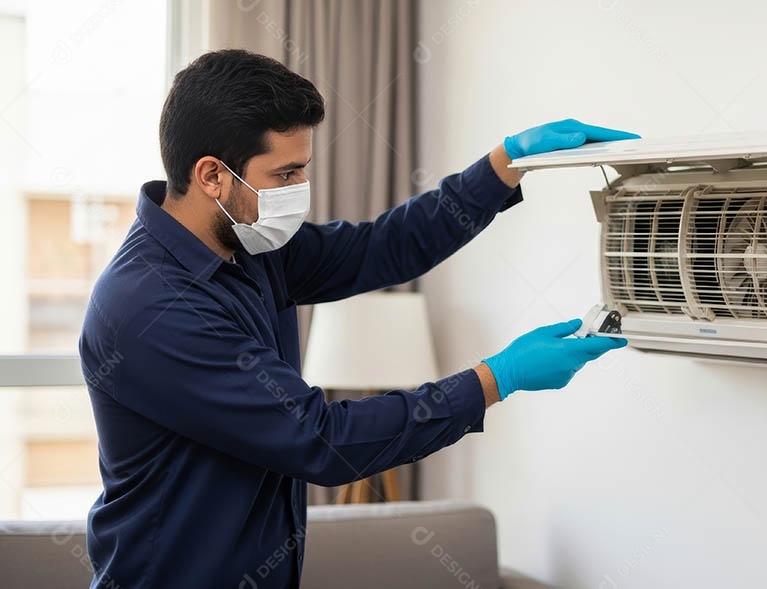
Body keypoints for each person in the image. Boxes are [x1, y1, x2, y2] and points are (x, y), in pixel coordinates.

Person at [78, 49, 636, 588]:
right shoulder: (151, 309)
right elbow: (322, 441)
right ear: (211, 176)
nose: (301, 190)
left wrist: (503, 164)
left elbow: (383, 248)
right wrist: (497, 378)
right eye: (286, 173)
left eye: (304, 169)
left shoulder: (248, 245)